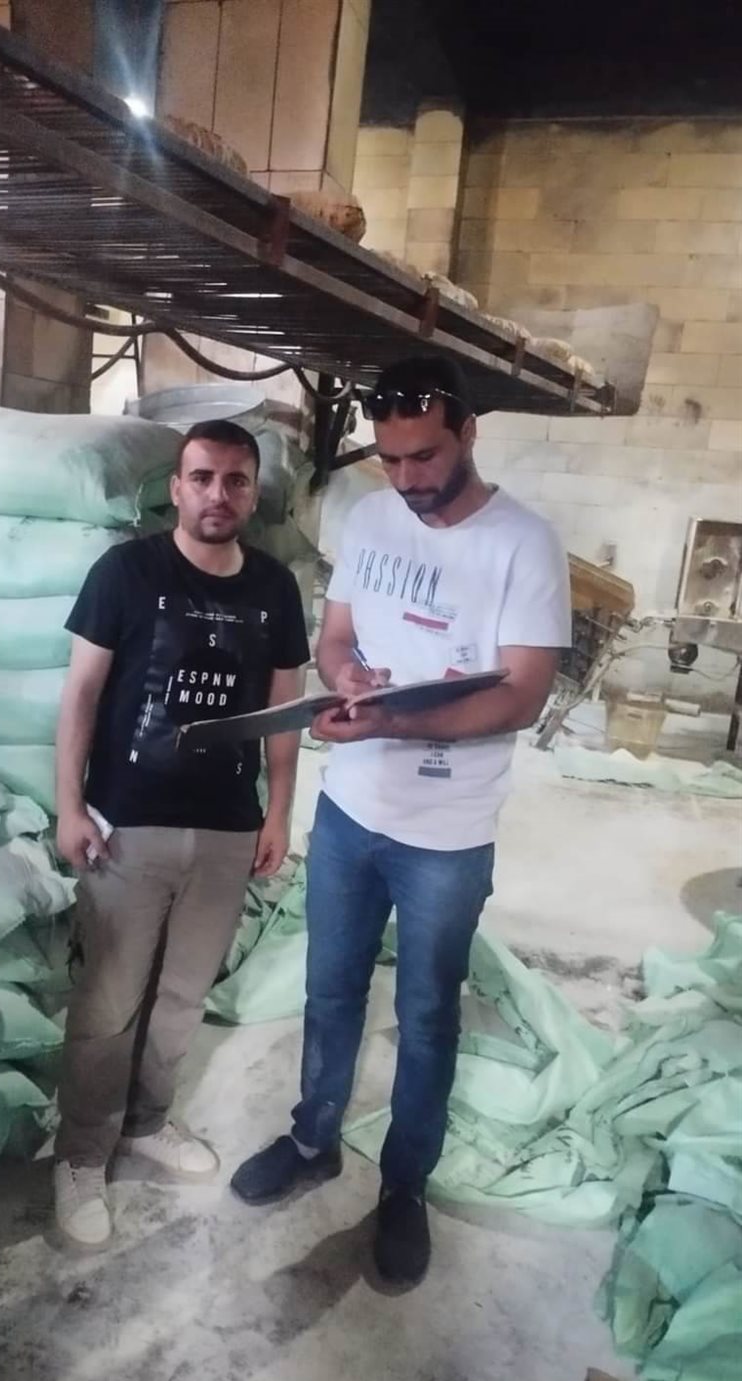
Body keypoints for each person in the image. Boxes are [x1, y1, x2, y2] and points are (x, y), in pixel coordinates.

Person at [230, 355, 571, 1289]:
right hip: (351, 813)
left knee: (426, 1017)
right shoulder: (371, 518)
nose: (409, 478)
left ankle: (404, 1186)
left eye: (426, 457)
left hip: (447, 836)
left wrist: (392, 722)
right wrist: (347, 678)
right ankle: (312, 1139)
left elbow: (522, 697)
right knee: (330, 991)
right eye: (391, 458)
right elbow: (337, 637)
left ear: (469, 433)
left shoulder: (525, 545)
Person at [53, 417, 311, 1248]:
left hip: (227, 829)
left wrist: (278, 811)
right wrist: (68, 805)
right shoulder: (126, 572)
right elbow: (81, 696)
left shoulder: (274, 588)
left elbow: (284, 712)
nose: (217, 494)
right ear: (175, 487)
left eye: (236, 480)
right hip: (129, 824)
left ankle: (146, 1123)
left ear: (253, 494)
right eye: (202, 477)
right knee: (109, 1002)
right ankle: (80, 1155)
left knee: (182, 996)